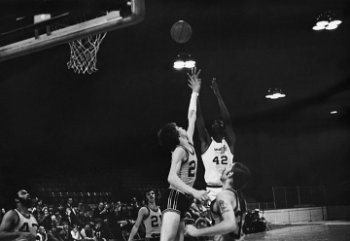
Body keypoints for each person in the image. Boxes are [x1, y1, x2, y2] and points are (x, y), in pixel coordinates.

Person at [158, 67, 209, 241]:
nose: (181, 127)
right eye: (178, 127)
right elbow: (171, 177)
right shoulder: (179, 151)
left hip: (184, 199)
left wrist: (195, 93)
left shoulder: (188, 143)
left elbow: (192, 116)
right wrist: (194, 192)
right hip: (175, 196)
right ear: (177, 135)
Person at [184, 162, 251, 241]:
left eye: (228, 166)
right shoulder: (238, 197)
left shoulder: (224, 195)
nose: (223, 168)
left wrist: (197, 232)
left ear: (230, 173)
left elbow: (230, 224)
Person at [196, 77, 236, 201]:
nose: (217, 123)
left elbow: (228, 121)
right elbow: (198, 117)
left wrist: (218, 95)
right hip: (211, 191)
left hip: (227, 188)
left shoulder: (229, 142)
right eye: (215, 122)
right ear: (212, 127)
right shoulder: (207, 143)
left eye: (220, 122)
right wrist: (196, 94)